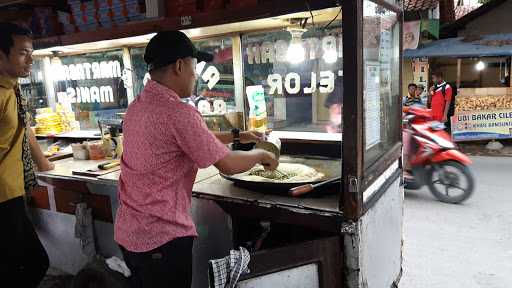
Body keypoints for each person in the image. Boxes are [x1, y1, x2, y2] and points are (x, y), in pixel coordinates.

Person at [114, 30, 278, 288]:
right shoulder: (178, 112)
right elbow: (228, 165)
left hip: (130, 233)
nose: (196, 73)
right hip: (162, 238)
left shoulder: (137, 107)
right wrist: (262, 154)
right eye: (194, 65)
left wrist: (238, 135)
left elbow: (190, 137)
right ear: (179, 66)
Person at [0, 22, 55, 287]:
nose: (31, 60)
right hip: (1, 196)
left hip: (12, 191)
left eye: (31, 52)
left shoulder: (13, 86)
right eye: (22, 52)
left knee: (25, 264)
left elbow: (25, 126)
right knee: (32, 263)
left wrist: (43, 162)